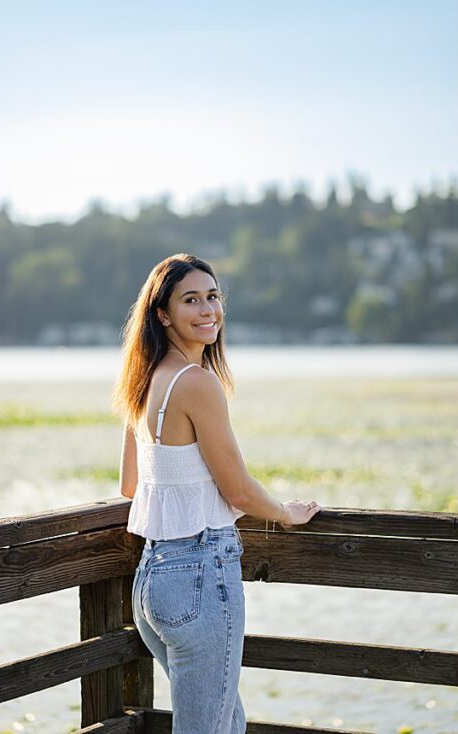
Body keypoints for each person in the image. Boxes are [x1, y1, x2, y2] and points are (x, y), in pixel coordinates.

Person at [112, 253, 321, 733]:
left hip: (152, 582)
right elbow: (240, 492)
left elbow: (130, 485)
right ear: (163, 314)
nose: (208, 310)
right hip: (200, 579)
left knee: (227, 722)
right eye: (191, 300)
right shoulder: (197, 384)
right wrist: (285, 513)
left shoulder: (141, 382)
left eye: (213, 296)